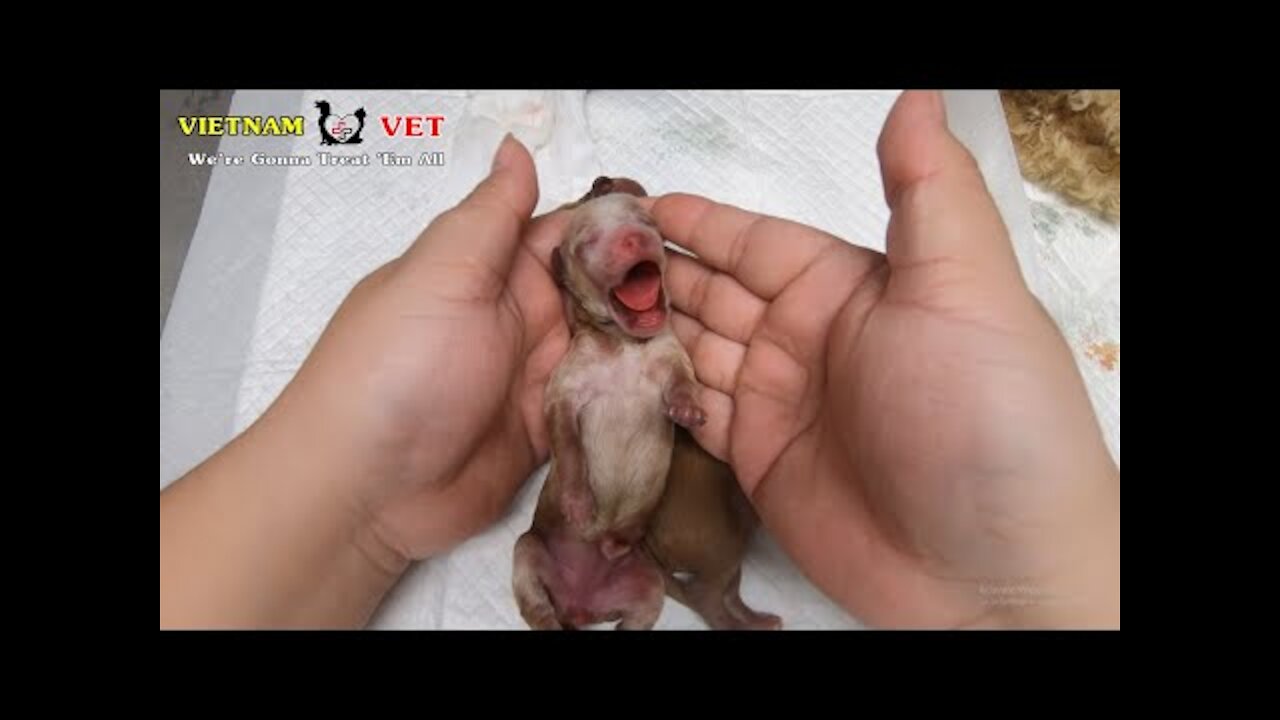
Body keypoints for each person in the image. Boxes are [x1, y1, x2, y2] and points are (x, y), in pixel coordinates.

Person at [158, 91, 1120, 629]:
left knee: (656, 590)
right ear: (572, 285)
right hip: (564, 543)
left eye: (643, 238)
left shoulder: (665, 360)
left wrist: (1032, 580)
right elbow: (564, 431)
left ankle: (708, 606)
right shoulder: (570, 372)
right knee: (544, 573)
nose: (633, 250)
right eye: (601, 245)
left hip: (633, 560)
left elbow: (690, 401)